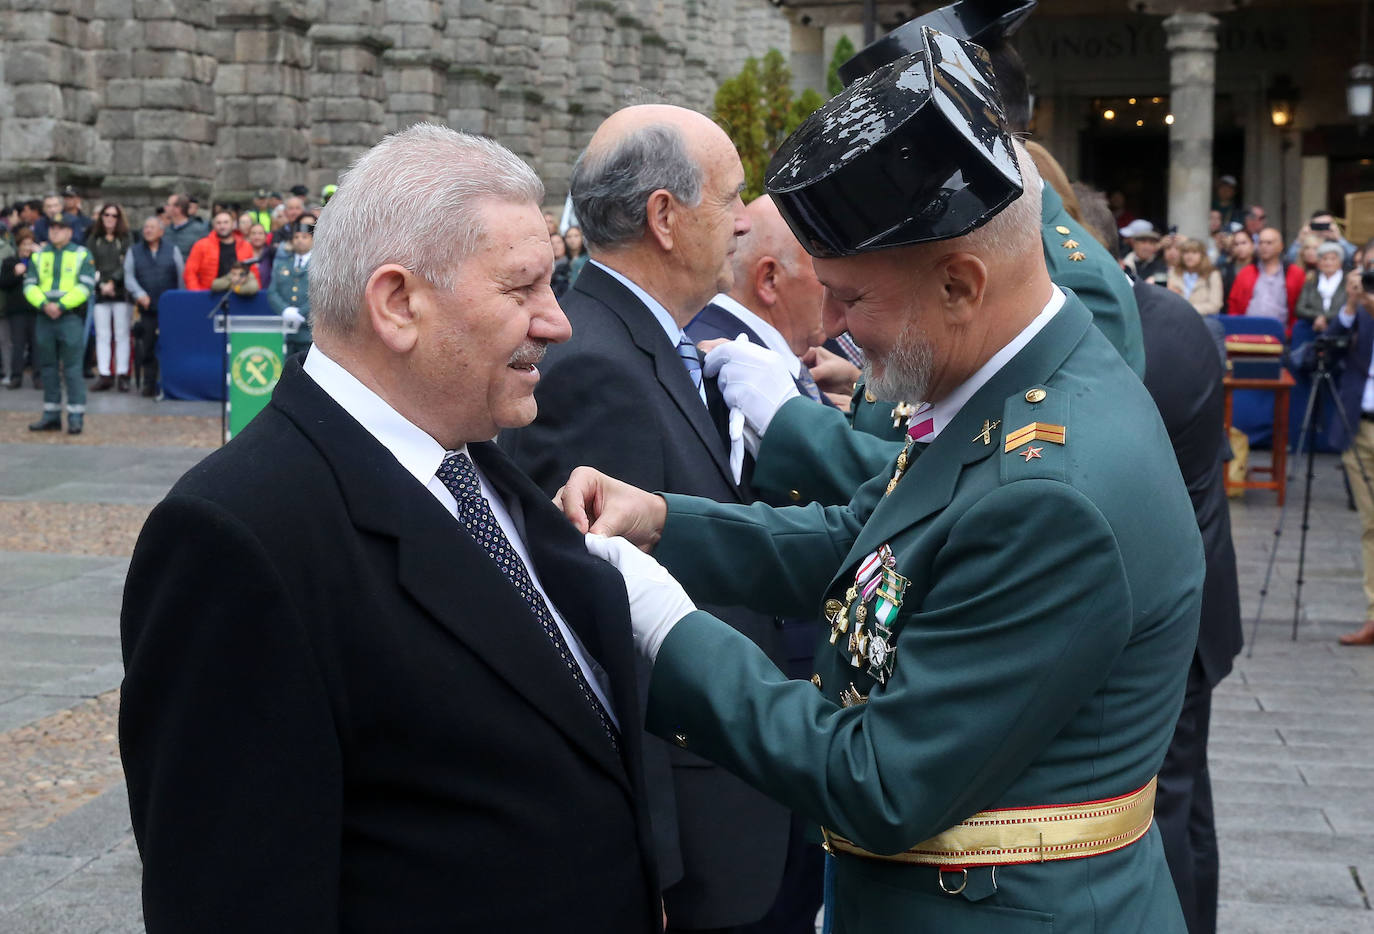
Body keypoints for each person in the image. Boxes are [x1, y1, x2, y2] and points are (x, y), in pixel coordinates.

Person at [559, 33, 1202, 931]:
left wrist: (665, 630)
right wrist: (664, 521)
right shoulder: (1013, 386)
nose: (827, 326)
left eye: (852, 299)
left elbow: (878, 779)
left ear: (961, 285)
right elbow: (863, 545)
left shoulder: (1047, 492)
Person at [119, 123, 661, 932]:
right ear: (398, 303)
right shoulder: (238, 537)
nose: (559, 322)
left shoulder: (475, 460)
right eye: (523, 290)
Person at [498, 103, 799, 934]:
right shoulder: (595, 364)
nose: (744, 221)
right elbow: (599, 641)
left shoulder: (637, 340)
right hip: (695, 839)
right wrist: (653, 862)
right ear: (665, 218)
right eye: (731, 198)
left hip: (728, 803)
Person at [1078, 188, 1242, 934]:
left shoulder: (1125, 335)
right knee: (1187, 800)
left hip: (1159, 611)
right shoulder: (1175, 316)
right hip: (1201, 605)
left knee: (1158, 814)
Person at [686, 194, 828, 409]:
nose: (836, 286)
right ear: (769, 280)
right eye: (821, 269)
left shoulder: (721, 351)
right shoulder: (714, 368)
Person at [1324, 266, 1374, 646]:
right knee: (1371, 525)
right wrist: (1353, 304)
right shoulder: (1362, 314)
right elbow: (1330, 344)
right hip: (1362, 428)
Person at [22, 215, 94, 433]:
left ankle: (75, 416)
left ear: (70, 232)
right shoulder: (39, 255)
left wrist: (60, 305)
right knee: (47, 367)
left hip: (69, 317)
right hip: (44, 318)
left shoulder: (82, 254)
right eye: (52, 228)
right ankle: (51, 414)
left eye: (61, 228)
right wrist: (44, 304)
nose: (55, 232)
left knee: (72, 368)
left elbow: (85, 286)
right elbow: (29, 285)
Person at [125, 215, 185, 397]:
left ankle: (171, 383)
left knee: (170, 345)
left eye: (152, 227)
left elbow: (181, 276)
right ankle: (149, 384)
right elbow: (129, 276)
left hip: (168, 308)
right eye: (145, 227)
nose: (147, 230)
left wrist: (179, 300)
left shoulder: (172, 250)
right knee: (148, 346)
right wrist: (139, 294)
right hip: (147, 308)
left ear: (161, 231)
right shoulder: (134, 251)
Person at [88, 203, 133, 392]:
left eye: (114, 215)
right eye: (106, 215)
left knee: (122, 334)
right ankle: (105, 373)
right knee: (103, 335)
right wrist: (101, 285)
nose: (109, 218)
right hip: (100, 291)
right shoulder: (94, 239)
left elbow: (127, 263)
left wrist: (114, 281)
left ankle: (123, 373)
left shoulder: (125, 238)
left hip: (120, 291)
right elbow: (89, 263)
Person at [1227, 227, 1304, 331]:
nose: (1264, 246)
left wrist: (1290, 333)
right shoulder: (1246, 272)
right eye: (1261, 243)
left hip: (1282, 334)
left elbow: (1300, 308)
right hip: (1247, 332)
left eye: (1269, 243)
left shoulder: (1295, 273)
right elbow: (1233, 305)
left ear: (1280, 246)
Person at [267, 214, 315, 357]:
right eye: (296, 237)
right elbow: (272, 291)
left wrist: (301, 313)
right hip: (285, 330)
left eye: (304, 237)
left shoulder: (319, 265)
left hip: (309, 331)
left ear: (313, 240)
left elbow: (320, 294)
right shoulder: (283, 263)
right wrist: (285, 310)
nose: (300, 241)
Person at [0, 231, 39, 387]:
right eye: (24, 244)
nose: (27, 248)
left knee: (37, 344)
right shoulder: (10, 261)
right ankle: (16, 376)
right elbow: (3, 283)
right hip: (17, 309)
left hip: (36, 308)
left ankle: (38, 377)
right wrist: (16, 273)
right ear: (19, 245)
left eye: (30, 244)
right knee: (17, 344)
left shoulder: (38, 261)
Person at [184, 210, 257, 291]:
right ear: (214, 225)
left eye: (226, 222)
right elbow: (190, 272)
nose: (222, 226)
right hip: (209, 294)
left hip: (240, 294)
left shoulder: (245, 246)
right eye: (218, 223)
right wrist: (196, 294)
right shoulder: (201, 245)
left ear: (233, 224)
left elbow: (253, 272)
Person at [1295, 241, 1348, 332]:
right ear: (1318, 262)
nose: (1328, 262)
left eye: (1333, 259)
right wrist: (1318, 318)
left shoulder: (1348, 281)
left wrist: (1324, 318)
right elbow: (1300, 309)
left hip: (1341, 328)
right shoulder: (1311, 280)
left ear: (1340, 262)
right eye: (1324, 259)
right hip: (1312, 326)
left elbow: (1349, 308)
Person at [1167, 238, 1224, 315]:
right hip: (1175, 317)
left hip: (1203, 319)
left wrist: (1188, 309)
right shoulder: (1173, 272)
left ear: (1202, 255)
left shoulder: (1213, 274)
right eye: (1186, 252)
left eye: (1194, 252)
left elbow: (1215, 305)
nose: (1189, 256)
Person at [1286, 209, 1356, 268]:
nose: (1322, 229)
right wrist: (1300, 239)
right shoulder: (1307, 243)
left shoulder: (1338, 243)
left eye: (1326, 225)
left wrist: (1339, 238)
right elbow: (1290, 260)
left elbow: (1354, 258)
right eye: (1318, 225)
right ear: (1311, 225)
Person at [161, 193, 207, 261]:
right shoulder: (164, 231)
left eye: (168, 205)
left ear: (178, 208)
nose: (165, 208)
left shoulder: (199, 230)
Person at [1220, 226, 1254, 300]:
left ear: (1252, 244)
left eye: (1243, 243)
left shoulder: (1260, 267)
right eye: (1236, 244)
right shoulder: (1225, 269)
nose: (1240, 247)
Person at [246, 222, 275, 290]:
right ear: (249, 237)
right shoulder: (244, 253)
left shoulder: (272, 253)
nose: (257, 237)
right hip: (247, 296)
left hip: (267, 295)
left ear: (265, 237)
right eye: (253, 233)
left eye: (260, 233)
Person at [549, 231, 571, 297]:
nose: (556, 246)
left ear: (564, 244)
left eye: (559, 242)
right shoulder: (545, 267)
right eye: (552, 243)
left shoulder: (570, 265)